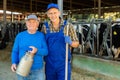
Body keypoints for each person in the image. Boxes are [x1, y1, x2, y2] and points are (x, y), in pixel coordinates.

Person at [41, 3, 79, 80]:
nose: (53, 15)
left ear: (59, 13)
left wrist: (71, 42)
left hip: (63, 63)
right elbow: (42, 44)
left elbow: (77, 44)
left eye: (55, 12)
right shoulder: (45, 27)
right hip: (49, 63)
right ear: (47, 15)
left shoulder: (68, 26)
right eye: (50, 13)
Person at [11, 14, 48, 80]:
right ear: (26, 23)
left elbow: (46, 51)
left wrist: (37, 51)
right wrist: (14, 62)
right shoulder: (20, 36)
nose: (31, 24)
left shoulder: (41, 36)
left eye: (34, 22)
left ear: (37, 24)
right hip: (22, 68)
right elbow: (15, 51)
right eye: (29, 22)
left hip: (37, 70)